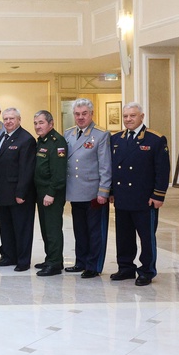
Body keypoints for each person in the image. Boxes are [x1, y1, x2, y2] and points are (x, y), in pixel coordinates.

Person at [109, 103, 170, 287]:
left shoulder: (155, 139)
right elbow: (113, 168)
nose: (128, 119)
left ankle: (146, 271)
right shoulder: (116, 139)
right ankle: (125, 267)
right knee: (123, 236)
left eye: (133, 116)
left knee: (146, 237)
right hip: (122, 197)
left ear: (142, 117)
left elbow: (163, 170)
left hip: (145, 199)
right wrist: (111, 192)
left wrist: (158, 195)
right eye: (125, 116)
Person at [63, 98, 111, 279]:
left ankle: (94, 265)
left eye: (84, 114)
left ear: (91, 114)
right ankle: (80, 261)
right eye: (77, 114)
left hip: (93, 192)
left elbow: (105, 166)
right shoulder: (68, 134)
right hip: (75, 192)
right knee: (80, 230)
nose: (80, 117)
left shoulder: (100, 135)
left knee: (95, 231)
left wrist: (104, 191)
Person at [0, 107, 36, 272]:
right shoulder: (3, 137)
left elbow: (27, 169)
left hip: (19, 194)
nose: (9, 122)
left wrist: (21, 193)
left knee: (22, 228)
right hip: (3, 193)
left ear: (19, 120)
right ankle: (9, 256)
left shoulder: (26, 139)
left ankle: (23, 260)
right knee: (6, 227)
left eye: (12, 118)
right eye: (6, 119)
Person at [33, 110, 67, 277]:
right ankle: (50, 258)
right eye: (36, 123)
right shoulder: (41, 141)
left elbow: (59, 173)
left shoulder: (57, 142)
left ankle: (55, 263)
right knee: (45, 229)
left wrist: (51, 193)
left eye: (41, 123)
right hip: (41, 192)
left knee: (53, 229)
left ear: (51, 123)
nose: (38, 126)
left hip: (51, 193)